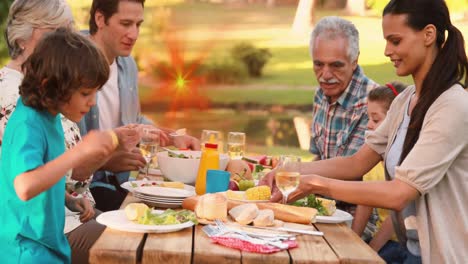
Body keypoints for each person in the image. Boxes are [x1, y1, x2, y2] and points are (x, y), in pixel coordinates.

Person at [284, 0, 468, 262]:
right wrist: (287, 170)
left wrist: (317, 184)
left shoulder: (453, 106)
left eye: (395, 41)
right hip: (409, 251)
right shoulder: (406, 101)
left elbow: (399, 193)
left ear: (428, 35)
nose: (386, 51)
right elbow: (356, 163)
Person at [0, 28, 115, 263]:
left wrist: (67, 198)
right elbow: (24, 185)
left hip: (47, 245)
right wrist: (78, 154)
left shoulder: (49, 116)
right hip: (27, 251)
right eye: (85, 93)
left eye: (95, 93)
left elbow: (40, 171)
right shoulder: (28, 124)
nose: (92, 102)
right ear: (52, 85)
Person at [81, 0, 200, 211]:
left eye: (138, 24)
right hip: (84, 193)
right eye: (126, 24)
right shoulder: (74, 61)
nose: (134, 35)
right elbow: (65, 148)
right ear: (100, 19)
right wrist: (107, 160)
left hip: (123, 183)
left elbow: (134, 122)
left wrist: (172, 137)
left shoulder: (126, 64)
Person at [351, 82, 407, 260]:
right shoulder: (374, 159)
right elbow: (365, 200)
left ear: (396, 120)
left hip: (402, 242)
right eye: (368, 118)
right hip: (382, 238)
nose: (368, 125)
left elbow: (397, 214)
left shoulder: (404, 160)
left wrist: (371, 251)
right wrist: (353, 241)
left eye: (376, 119)